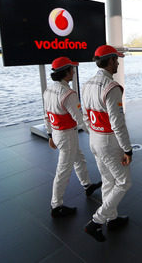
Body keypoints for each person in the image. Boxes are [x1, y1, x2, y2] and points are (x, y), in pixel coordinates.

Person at [81, 45, 133, 242]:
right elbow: (118, 123)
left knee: (108, 180)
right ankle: (97, 221)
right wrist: (127, 149)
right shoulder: (111, 88)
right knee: (124, 182)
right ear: (109, 61)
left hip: (94, 139)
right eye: (116, 59)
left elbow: (85, 117)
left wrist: (94, 133)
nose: (118, 62)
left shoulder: (86, 85)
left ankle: (112, 218)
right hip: (109, 142)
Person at [43, 57, 102, 218]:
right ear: (66, 72)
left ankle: (87, 185)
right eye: (71, 69)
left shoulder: (48, 91)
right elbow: (80, 119)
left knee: (79, 159)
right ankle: (56, 206)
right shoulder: (68, 94)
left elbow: (47, 116)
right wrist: (96, 133)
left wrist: (49, 135)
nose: (74, 72)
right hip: (67, 135)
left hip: (57, 133)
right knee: (63, 170)